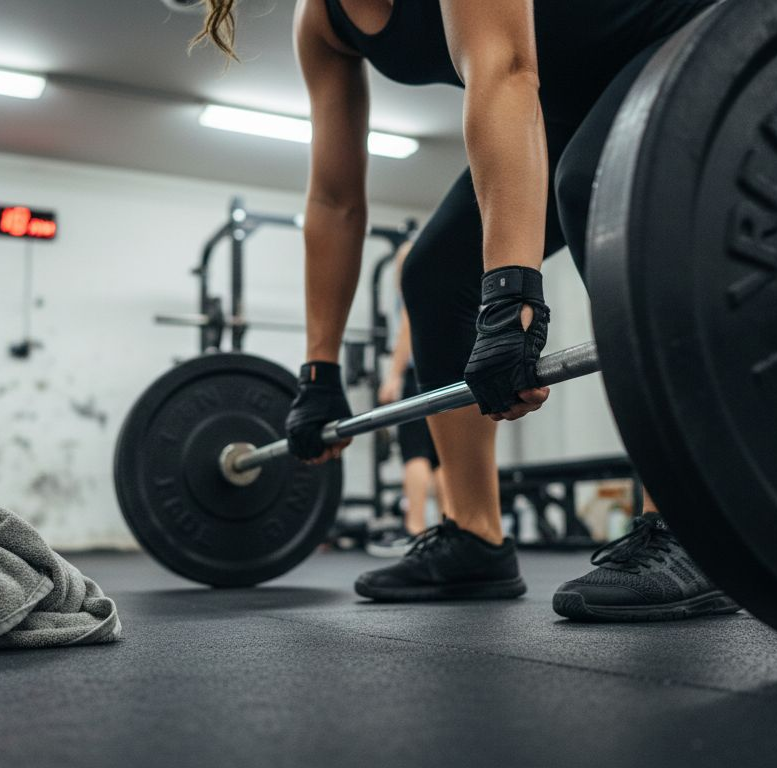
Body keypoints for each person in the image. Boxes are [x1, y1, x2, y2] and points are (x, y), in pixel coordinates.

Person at [190, 0, 740, 620]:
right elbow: (336, 201)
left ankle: (690, 524)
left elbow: (505, 71)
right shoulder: (320, 22)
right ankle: (476, 535)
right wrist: (319, 372)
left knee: (594, 180)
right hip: (569, 97)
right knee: (433, 276)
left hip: (686, 35)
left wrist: (511, 296)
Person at [366, 238, 444, 558]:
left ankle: (414, 528)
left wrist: (393, 375)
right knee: (441, 457)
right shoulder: (443, 288)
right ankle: (449, 528)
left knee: (415, 453)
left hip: (418, 375)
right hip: (445, 374)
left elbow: (407, 332)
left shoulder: (413, 289)